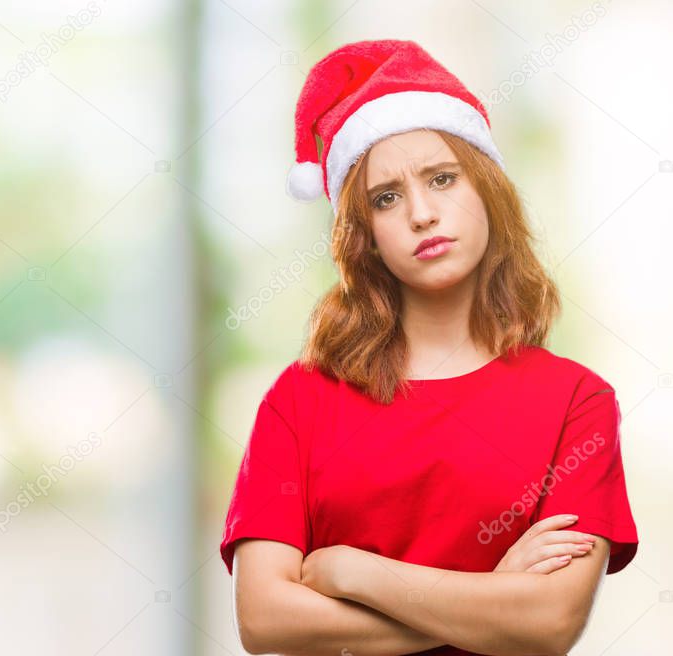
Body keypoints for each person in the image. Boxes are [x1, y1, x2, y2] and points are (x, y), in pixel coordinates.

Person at [218, 40, 639, 656]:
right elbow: (265, 619)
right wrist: (493, 599)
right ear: (366, 238)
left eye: (443, 179)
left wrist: (358, 575)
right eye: (386, 198)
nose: (421, 213)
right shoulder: (300, 399)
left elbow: (549, 624)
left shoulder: (578, 402)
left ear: (488, 191)